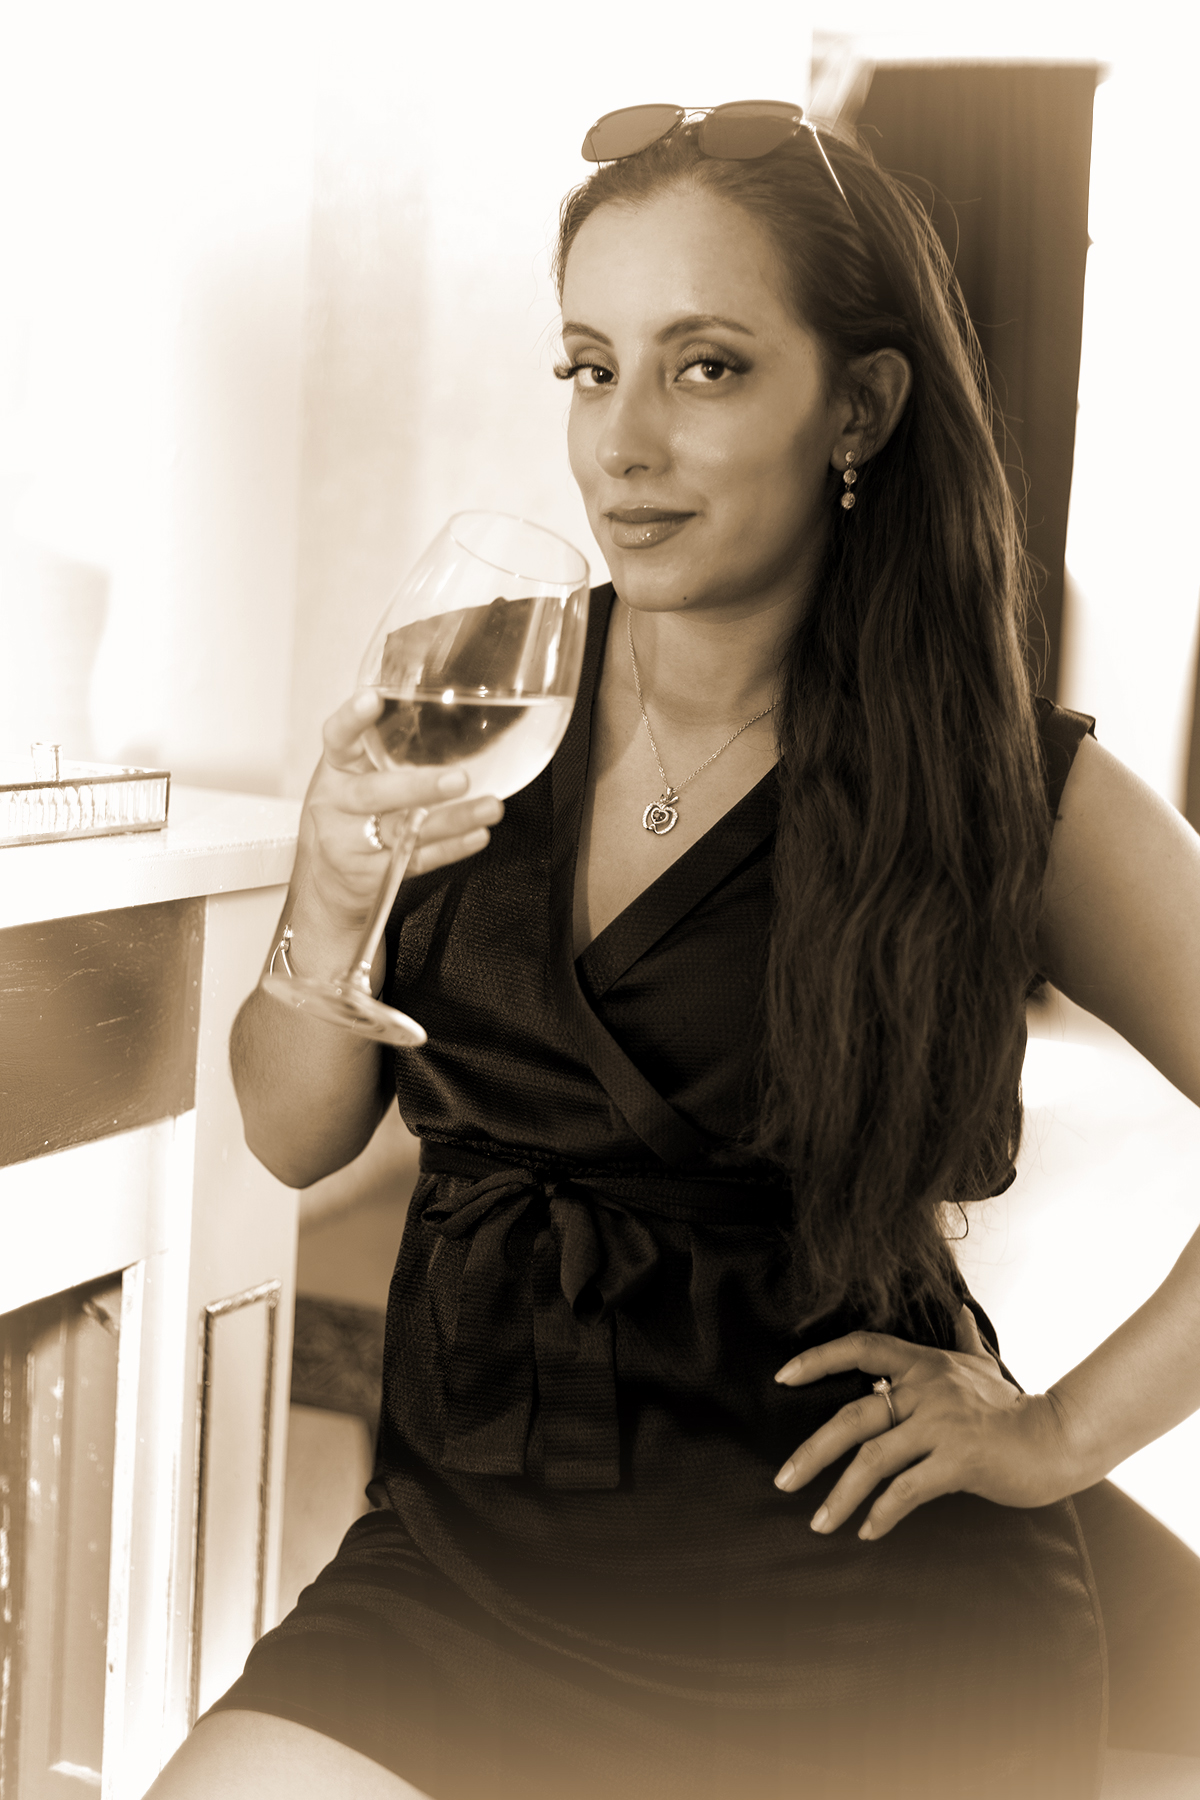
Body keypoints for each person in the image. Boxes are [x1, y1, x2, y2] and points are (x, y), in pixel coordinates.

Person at [146, 105, 1200, 1800]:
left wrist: (1057, 1435)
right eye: (589, 367)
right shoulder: (470, 682)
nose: (622, 443)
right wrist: (329, 906)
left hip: (855, 1607)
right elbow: (291, 1135)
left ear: (858, 407)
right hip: (464, 1564)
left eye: (705, 367)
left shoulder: (1006, 785)